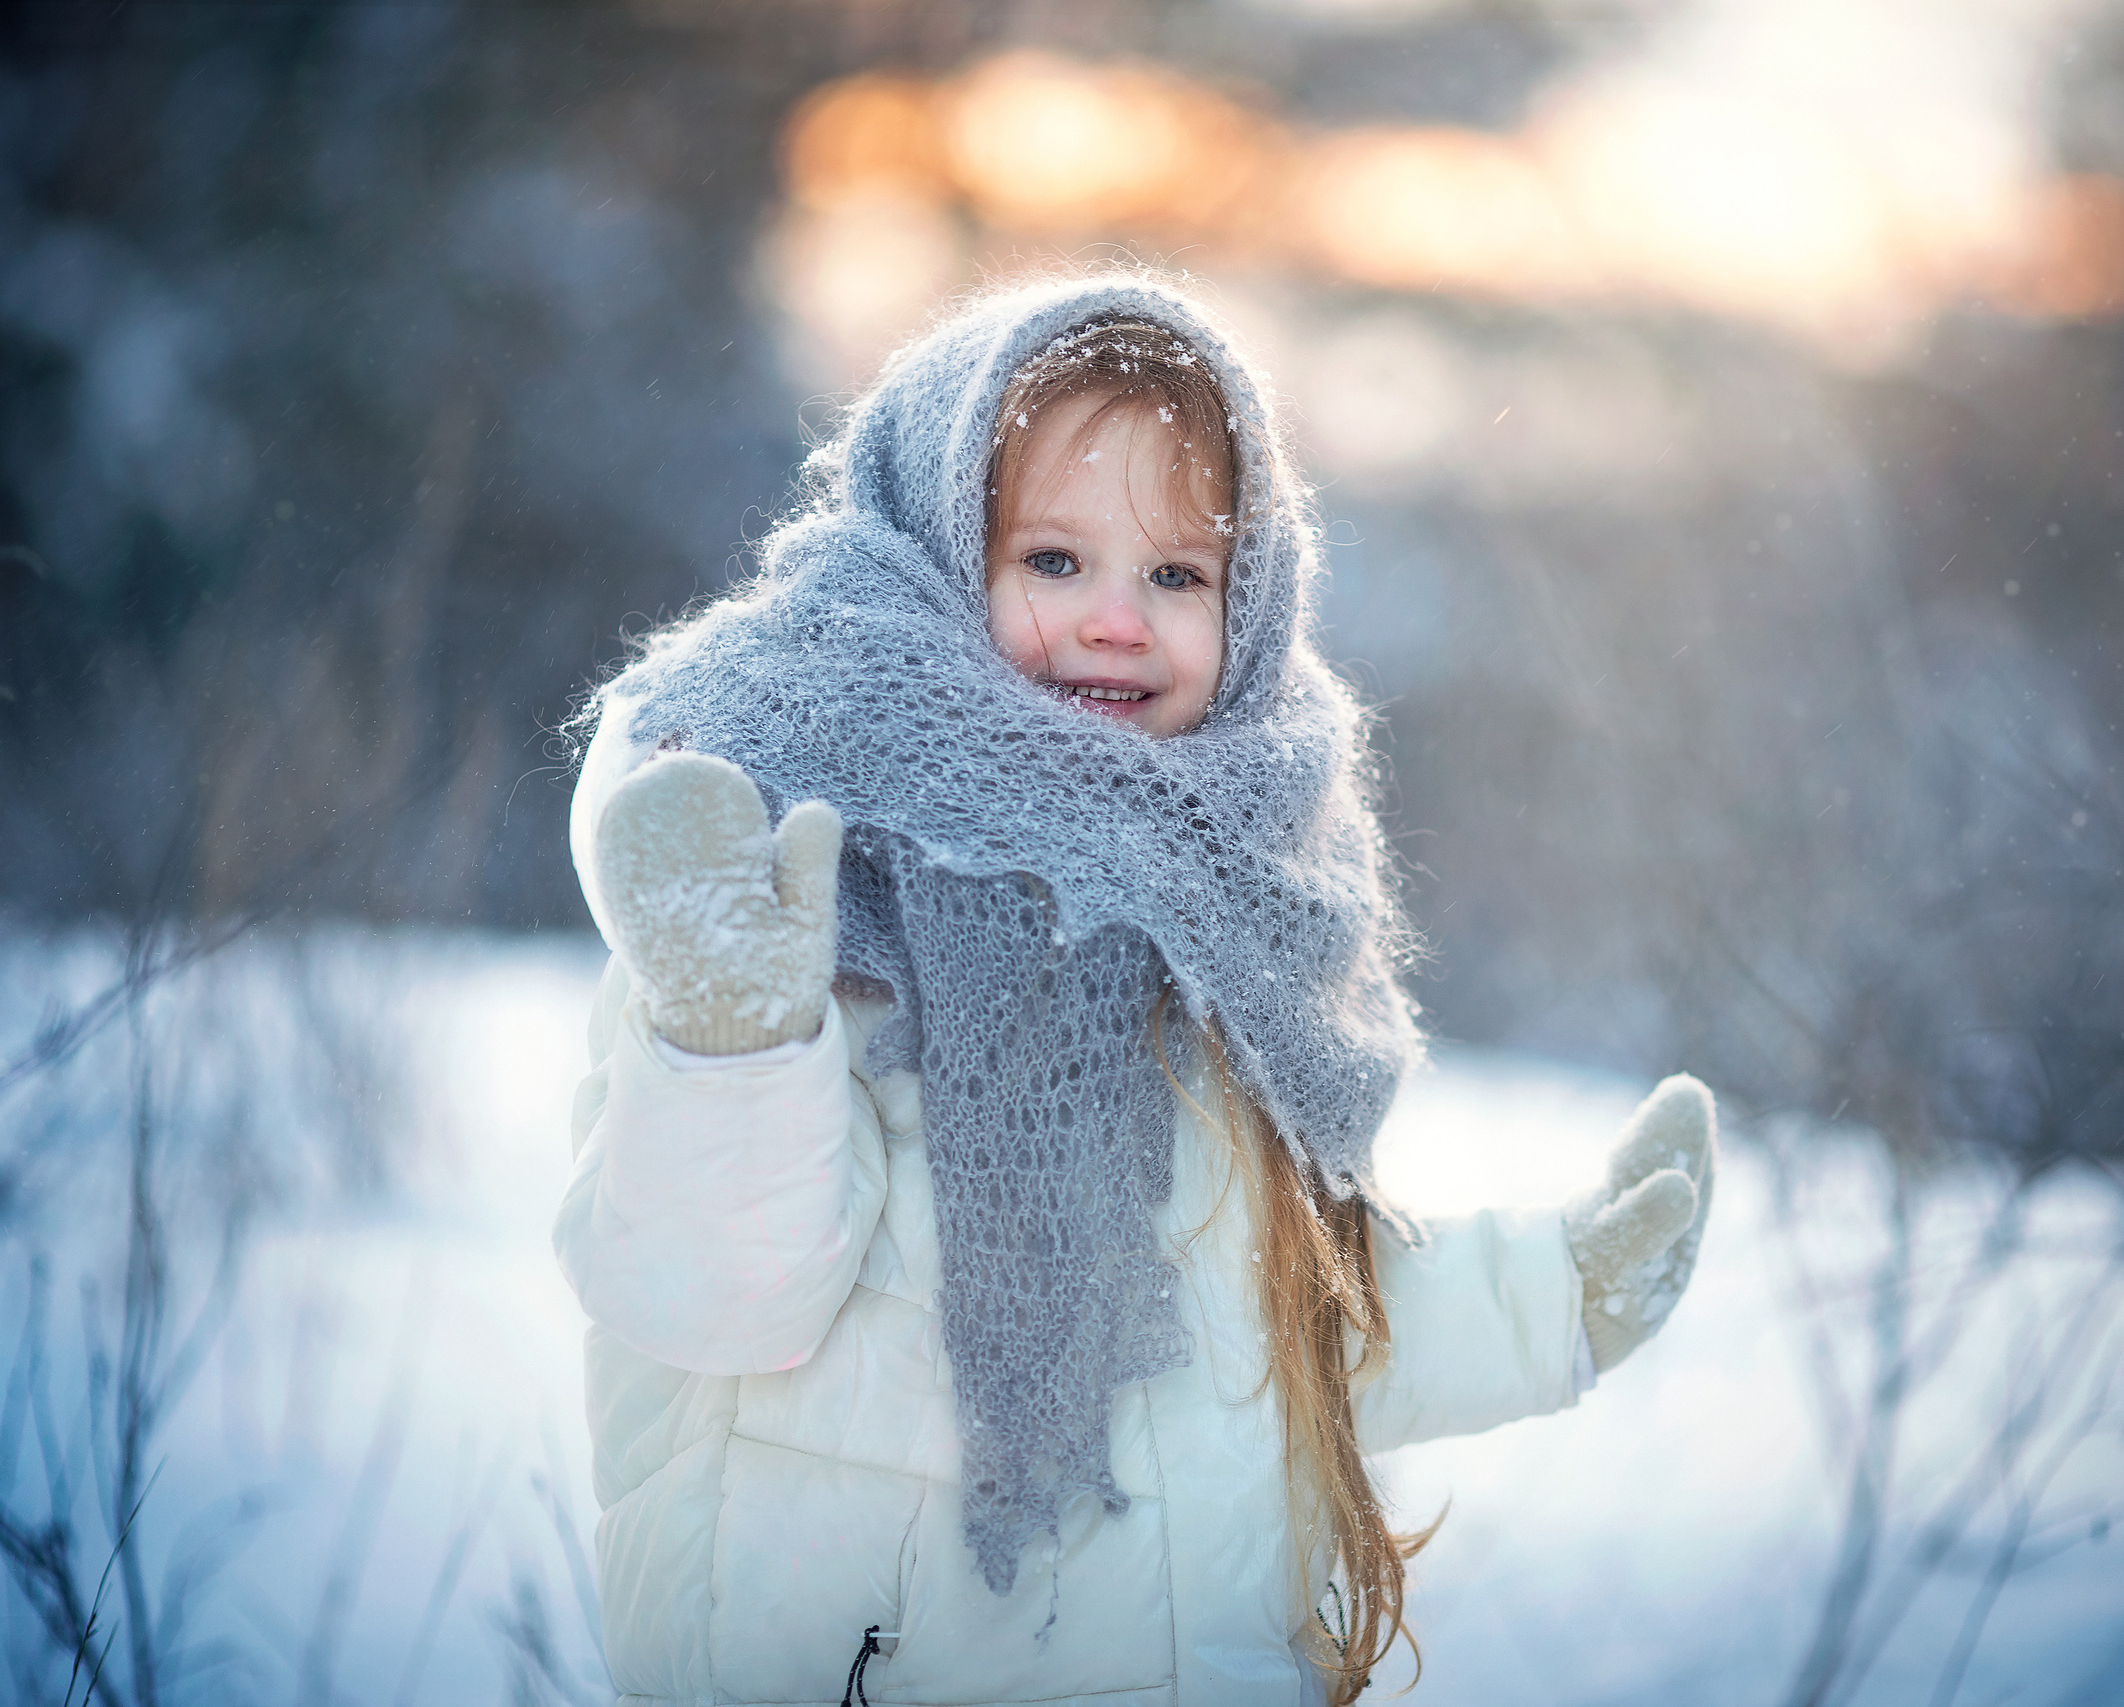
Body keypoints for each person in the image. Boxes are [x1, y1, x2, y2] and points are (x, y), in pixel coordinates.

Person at [553, 272, 1717, 1707]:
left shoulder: (1239, 905)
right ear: (931, 550)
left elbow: (1282, 1345)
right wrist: (733, 1045)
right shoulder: (787, 877)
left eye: (1177, 576)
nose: (1119, 621)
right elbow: (714, 1301)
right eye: (1053, 560)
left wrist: (1557, 1296)